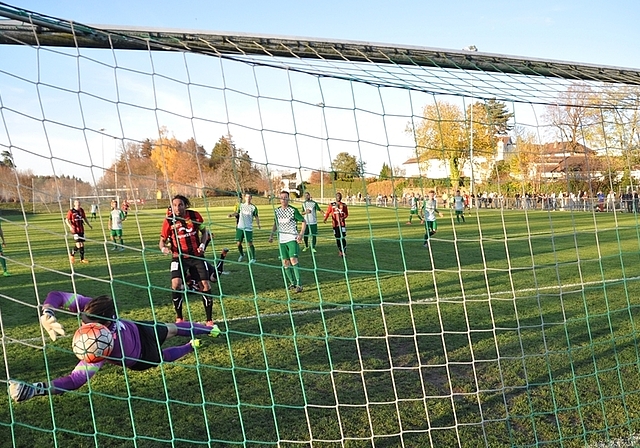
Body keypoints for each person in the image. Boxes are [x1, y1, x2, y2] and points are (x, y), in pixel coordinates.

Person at [8, 291, 220, 403]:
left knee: (172, 328)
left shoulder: (100, 333)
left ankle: (209, 329)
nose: (83, 323)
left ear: (107, 321)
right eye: (83, 319)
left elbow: (74, 380)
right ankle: (190, 347)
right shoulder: (99, 334)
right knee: (163, 355)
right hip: (140, 356)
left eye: (87, 321)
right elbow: (57, 296)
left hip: (138, 329)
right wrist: (48, 312)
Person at [159, 195, 215, 325]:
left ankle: (209, 320)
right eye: (175, 205)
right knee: (176, 284)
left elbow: (204, 232)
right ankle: (179, 318)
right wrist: (163, 249)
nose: (177, 208)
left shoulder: (195, 216)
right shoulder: (168, 221)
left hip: (196, 256)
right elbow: (162, 241)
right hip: (178, 257)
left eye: (180, 205)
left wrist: (202, 245)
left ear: (185, 205)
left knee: (205, 285)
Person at [269, 191, 306, 293]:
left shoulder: (293, 210)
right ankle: (292, 283)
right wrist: (271, 235)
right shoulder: (277, 211)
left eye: (286, 197)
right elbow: (275, 224)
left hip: (292, 238)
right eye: (282, 197)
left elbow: (303, 221)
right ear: (279, 199)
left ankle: (299, 284)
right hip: (282, 240)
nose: (284, 199)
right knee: (285, 262)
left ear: (288, 199)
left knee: (293, 259)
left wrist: (301, 234)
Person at [228, 193, 261, 263]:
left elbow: (256, 216)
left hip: (248, 228)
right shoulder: (241, 206)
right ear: (245, 198)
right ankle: (242, 254)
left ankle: (253, 258)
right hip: (240, 227)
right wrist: (231, 215)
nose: (248, 198)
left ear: (251, 198)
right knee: (238, 243)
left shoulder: (253, 207)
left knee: (250, 243)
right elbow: (237, 213)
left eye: (249, 197)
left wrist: (258, 224)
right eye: (247, 197)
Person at [66, 199, 93, 264]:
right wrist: (70, 226)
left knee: (82, 244)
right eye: (77, 203)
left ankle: (82, 259)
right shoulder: (71, 211)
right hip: (75, 230)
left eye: (79, 203)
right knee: (78, 245)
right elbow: (66, 220)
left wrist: (89, 224)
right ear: (74, 204)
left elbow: (84, 218)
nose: (78, 204)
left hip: (81, 229)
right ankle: (71, 255)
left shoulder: (81, 210)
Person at [323, 192, 349, 257]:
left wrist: (342, 218)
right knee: (337, 238)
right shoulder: (332, 205)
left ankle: (344, 251)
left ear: (341, 197)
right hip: (335, 225)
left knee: (343, 237)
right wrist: (325, 218)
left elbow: (346, 214)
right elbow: (328, 212)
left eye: (340, 196)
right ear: (336, 197)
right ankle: (340, 251)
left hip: (342, 224)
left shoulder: (344, 205)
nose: (339, 197)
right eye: (337, 196)